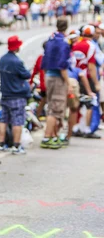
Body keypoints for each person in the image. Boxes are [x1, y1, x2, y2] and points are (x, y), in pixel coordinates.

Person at [0, 36, 31, 154]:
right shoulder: (17, 61)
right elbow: (26, 75)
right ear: (16, 46)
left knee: (3, 119)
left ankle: (1, 144)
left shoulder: (2, 59)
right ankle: (16, 146)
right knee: (18, 121)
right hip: (17, 95)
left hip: (5, 94)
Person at [40, 17, 71, 149]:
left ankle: (52, 135)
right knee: (56, 108)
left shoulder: (50, 40)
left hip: (48, 75)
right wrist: (68, 82)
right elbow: (62, 65)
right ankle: (47, 137)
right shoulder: (64, 42)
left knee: (51, 105)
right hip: (58, 76)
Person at [72, 24, 100, 138]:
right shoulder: (91, 46)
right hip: (86, 77)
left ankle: (75, 127)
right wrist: (96, 82)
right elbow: (91, 66)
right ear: (92, 34)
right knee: (90, 102)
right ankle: (87, 130)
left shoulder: (75, 44)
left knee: (76, 103)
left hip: (74, 76)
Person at [30, 41, 47, 119]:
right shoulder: (52, 58)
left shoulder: (40, 58)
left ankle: (36, 117)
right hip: (51, 84)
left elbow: (34, 71)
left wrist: (30, 82)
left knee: (43, 101)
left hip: (43, 85)